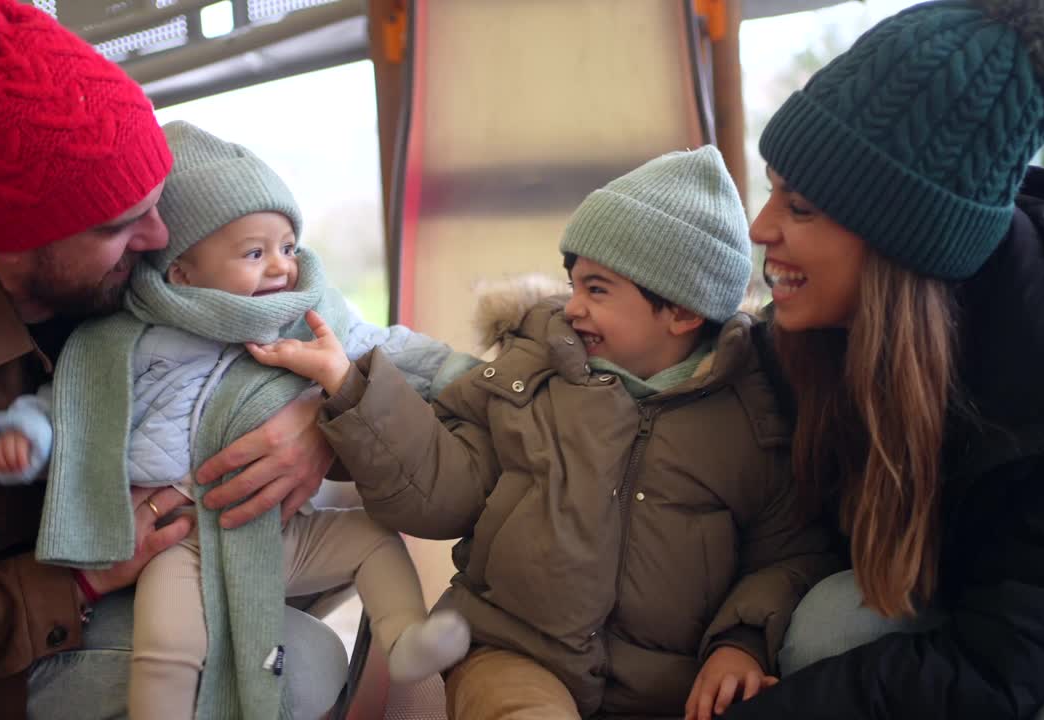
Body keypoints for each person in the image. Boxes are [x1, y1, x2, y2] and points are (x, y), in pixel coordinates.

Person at [0, 2, 341, 719]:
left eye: (156, 203)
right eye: (120, 224)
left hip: (161, 566)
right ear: (17, 238)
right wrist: (82, 579)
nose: (158, 237)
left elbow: (313, 334)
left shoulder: (120, 273)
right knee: (301, 665)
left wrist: (317, 421)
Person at [253, 147, 839, 719]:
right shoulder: (528, 380)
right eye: (573, 283)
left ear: (683, 312)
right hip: (513, 651)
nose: (573, 307)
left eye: (598, 289)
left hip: (670, 683)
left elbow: (788, 554)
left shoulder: (750, 420)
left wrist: (741, 643)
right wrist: (351, 388)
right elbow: (440, 491)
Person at [0, 121, 473, 720]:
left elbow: (384, 347)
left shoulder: (306, 319)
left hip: (279, 530)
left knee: (373, 538)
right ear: (181, 271)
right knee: (171, 643)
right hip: (180, 538)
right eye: (254, 252)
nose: (281, 268)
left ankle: (406, 638)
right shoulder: (129, 340)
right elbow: (74, 405)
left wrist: (465, 373)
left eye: (288, 247)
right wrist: (26, 438)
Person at [717, 0, 1044, 718]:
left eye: (799, 207)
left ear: (904, 243)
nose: (760, 227)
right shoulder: (819, 338)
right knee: (834, 620)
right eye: (772, 190)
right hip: (975, 604)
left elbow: (1004, 660)